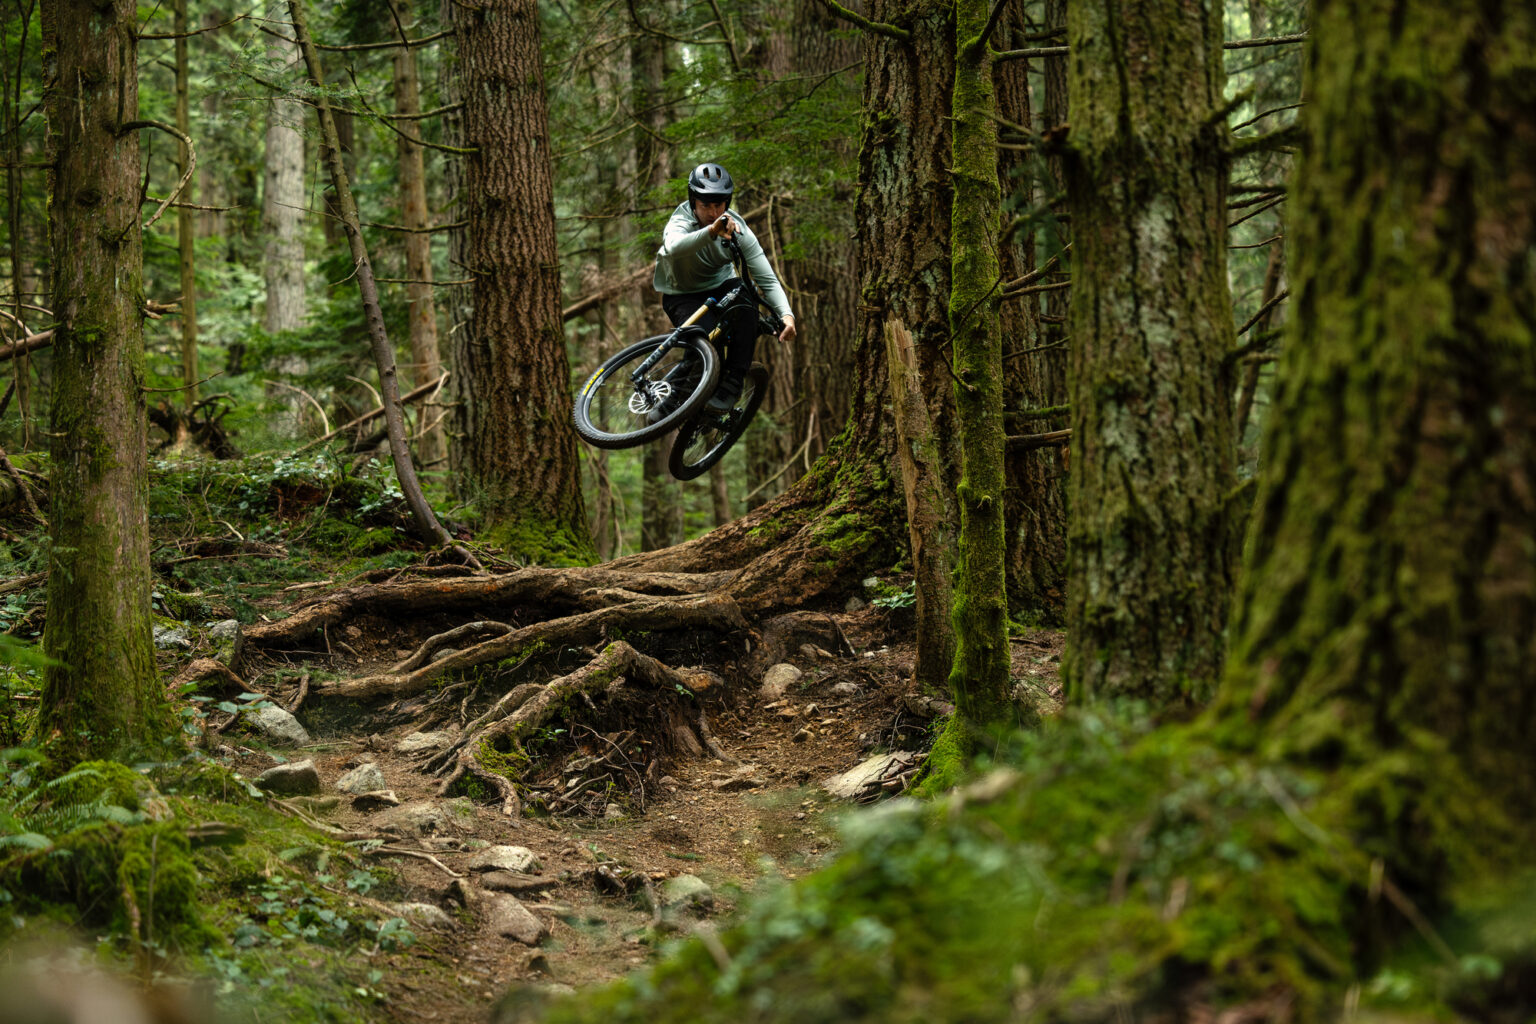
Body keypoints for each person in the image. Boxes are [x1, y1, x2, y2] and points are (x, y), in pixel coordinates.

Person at [653, 162, 796, 410]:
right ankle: (675, 397)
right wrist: (711, 231)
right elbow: (674, 248)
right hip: (681, 294)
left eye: (719, 204)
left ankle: (733, 381)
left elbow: (767, 279)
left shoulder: (738, 230)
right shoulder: (680, 220)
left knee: (747, 299)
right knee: (705, 342)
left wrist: (787, 315)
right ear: (693, 201)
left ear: (727, 203)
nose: (712, 211)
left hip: (720, 286)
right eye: (705, 204)